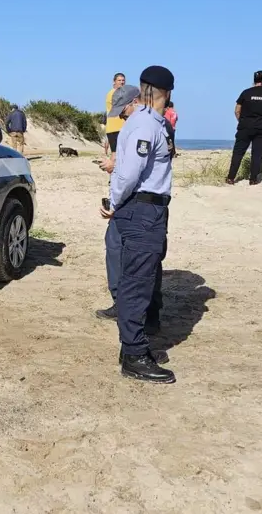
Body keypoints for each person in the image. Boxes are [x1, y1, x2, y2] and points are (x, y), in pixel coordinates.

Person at [100, 66, 177, 383]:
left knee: (140, 280)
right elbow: (130, 173)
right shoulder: (146, 124)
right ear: (167, 93)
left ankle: (133, 347)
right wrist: (114, 201)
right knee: (137, 283)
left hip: (147, 209)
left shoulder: (147, 121)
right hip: (142, 210)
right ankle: (134, 355)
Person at [95, 85, 162, 334]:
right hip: (137, 201)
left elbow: (131, 174)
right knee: (127, 252)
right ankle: (132, 307)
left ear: (134, 102)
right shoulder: (145, 124)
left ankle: (143, 314)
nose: (122, 117)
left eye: (123, 111)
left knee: (134, 256)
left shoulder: (142, 126)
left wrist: (114, 203)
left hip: (136, 203)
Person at [226, 70, 262, 185]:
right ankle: (253, 179)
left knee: (238, 152)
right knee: (257, 153)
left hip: (245, 127)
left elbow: (237, 110)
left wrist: (242, 121)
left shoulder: (245, 93)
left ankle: (230, 178)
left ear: (254, 80)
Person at [103, 73, 127, 156]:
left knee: (122, 155)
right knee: (116, 154)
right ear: (114, 82)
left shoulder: (122, 94)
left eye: (123, 80)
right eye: (119, 80)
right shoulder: (113, 94)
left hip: (121, 128)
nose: (121, 82)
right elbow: (121, 109)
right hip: (114, 128)